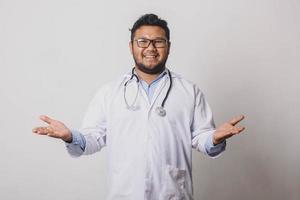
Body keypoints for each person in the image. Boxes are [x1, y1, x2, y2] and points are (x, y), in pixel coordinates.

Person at [33, 13, 245, 200]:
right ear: (131, 46)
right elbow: (93, 139)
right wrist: (70, 136)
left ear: (168, 47)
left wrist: (215, 138)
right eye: (142, 41)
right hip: (124, 194)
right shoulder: (111, 92)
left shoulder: (189, 92)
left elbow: (202, 138)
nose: (150, 48)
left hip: (172, 193)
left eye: (158, 42)